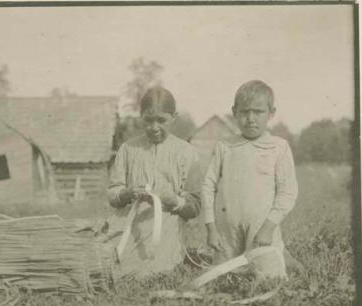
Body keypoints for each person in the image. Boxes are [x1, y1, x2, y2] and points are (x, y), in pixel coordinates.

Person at [202, 80, 298, 279]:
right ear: (234, 112)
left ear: (271, 113)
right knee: (221, 277)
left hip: (261, 229)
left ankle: (285, 259)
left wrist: (268, 227)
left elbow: (288, 193)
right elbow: (208, 186)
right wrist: (211, 228)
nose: (251, 119)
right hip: (227, 230)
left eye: (258, 112)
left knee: (268, 277)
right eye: (244, 112)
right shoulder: (225, 146)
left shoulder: (278, 147)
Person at [107, 86, 202, 279]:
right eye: (148, 120)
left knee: (154, 272)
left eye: (162, 120)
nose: (154, 127)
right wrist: (126, 193)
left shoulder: (187, 153)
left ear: (173, 118)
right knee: (114, 268)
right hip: (127, 226)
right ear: (141, 116)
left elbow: (194, 207)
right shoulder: (128, 149)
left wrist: (172, 200)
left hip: (167, 230)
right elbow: (112, 193)